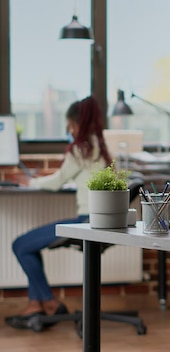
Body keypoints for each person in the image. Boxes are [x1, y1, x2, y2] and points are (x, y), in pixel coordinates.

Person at [5, 96, 111, 330]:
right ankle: (36, 302)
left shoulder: (81, 149)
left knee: (21, 245)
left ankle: (49, 302)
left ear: (77, 124)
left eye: (70, 126)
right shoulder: (101, 148)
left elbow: (56, 182)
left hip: (86, 223)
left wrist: (29, 182)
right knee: (29, 247)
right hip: (101, 222)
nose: (69, 131)